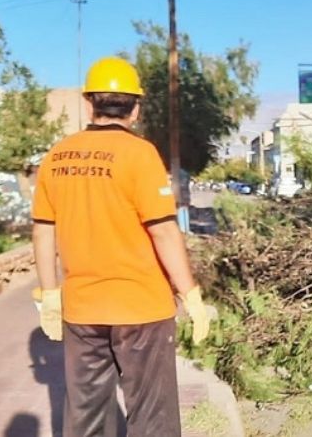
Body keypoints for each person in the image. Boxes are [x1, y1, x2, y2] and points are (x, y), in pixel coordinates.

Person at [32, 56, 210, 437]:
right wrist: (191, 295)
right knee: (152, 417)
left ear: (88, 103)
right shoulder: (140, 154)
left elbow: (43, 230)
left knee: (86, 416)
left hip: (82, 309)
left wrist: (49, 295)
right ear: (136, 108)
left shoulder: (56, 157)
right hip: (141, 309)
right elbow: (163, 231)